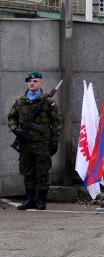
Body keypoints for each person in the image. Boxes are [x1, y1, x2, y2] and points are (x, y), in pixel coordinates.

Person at [7, 72, 62, 210]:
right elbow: (11, 117)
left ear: (41, 83)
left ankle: (41, 200)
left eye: (35, 81)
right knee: (28, 172)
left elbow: (57, 122)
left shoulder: (48, 102)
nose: (32, 83)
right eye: (30, 81)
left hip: (42, 143)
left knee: (42, 172)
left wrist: (54, 142)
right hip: (25, 144)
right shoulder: (20, 101)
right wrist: (15, 129)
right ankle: (29, 199)